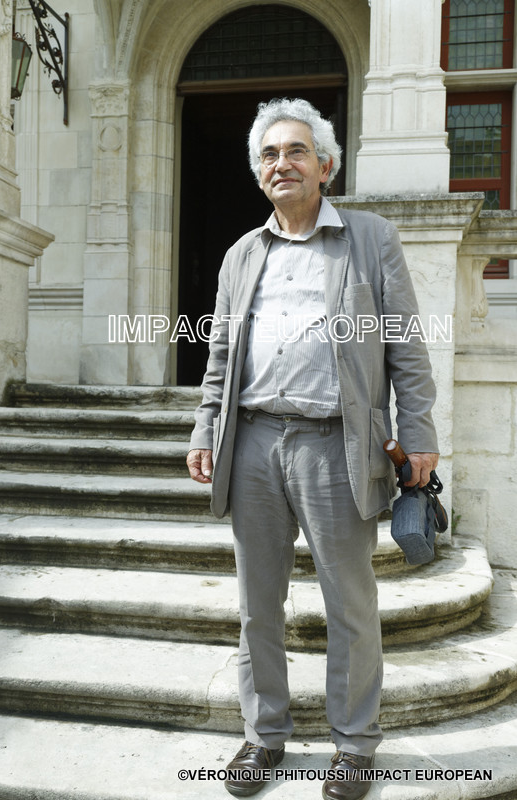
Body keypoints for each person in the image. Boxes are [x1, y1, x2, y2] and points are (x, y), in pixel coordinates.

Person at [186, 98, 438, 800]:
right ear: (258, 174)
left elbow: (406, 350)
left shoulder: (370, 238)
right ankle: (263, 737)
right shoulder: (242, 255)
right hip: (256, 442)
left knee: (349, 605)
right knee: (255, 607)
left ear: (325, 165)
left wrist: (418, 433)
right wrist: (208, 426)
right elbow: (221, 357)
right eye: (269, 155)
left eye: (296, 151)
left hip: (336, 444)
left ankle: (354, 747)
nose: (281, 164)